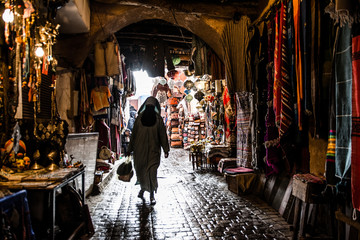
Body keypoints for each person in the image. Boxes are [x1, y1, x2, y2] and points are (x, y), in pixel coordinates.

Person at [126, 96, 170, 204]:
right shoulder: (150, 119)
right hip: (147, 151)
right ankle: (143, 190)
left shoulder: (142, 119)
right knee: (144, 172)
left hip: (145, 151)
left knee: (151, 172)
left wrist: (166, 149)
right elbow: (135, 135)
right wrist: (165, 149)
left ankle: (151, 194)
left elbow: (162, 136)